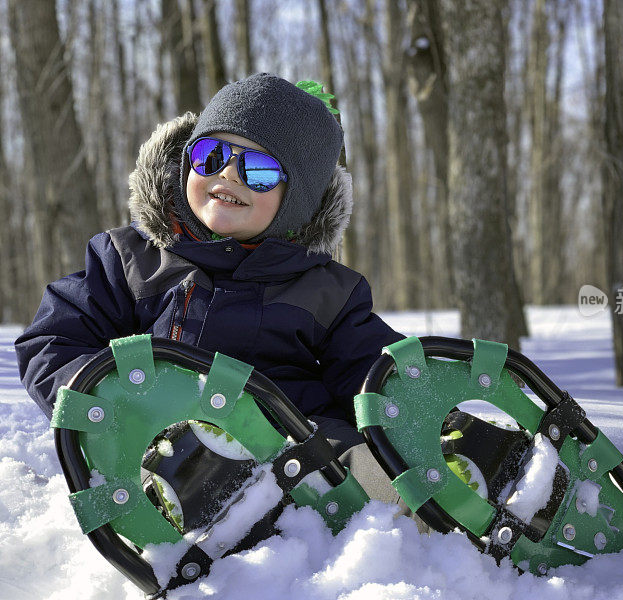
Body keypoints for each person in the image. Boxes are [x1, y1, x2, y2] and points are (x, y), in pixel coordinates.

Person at [15, 73, 418, 524]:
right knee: (154, 470)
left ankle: (427, 518)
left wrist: (420, 418)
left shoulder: (328, 291)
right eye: (212, 155)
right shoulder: (132, 260)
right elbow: (54, 339)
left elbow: (371, 371)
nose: (227, 173)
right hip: (159, 438)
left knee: (380, 474)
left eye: (259, 170)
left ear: (299, 201)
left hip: (293, 448)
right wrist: (110, 407)